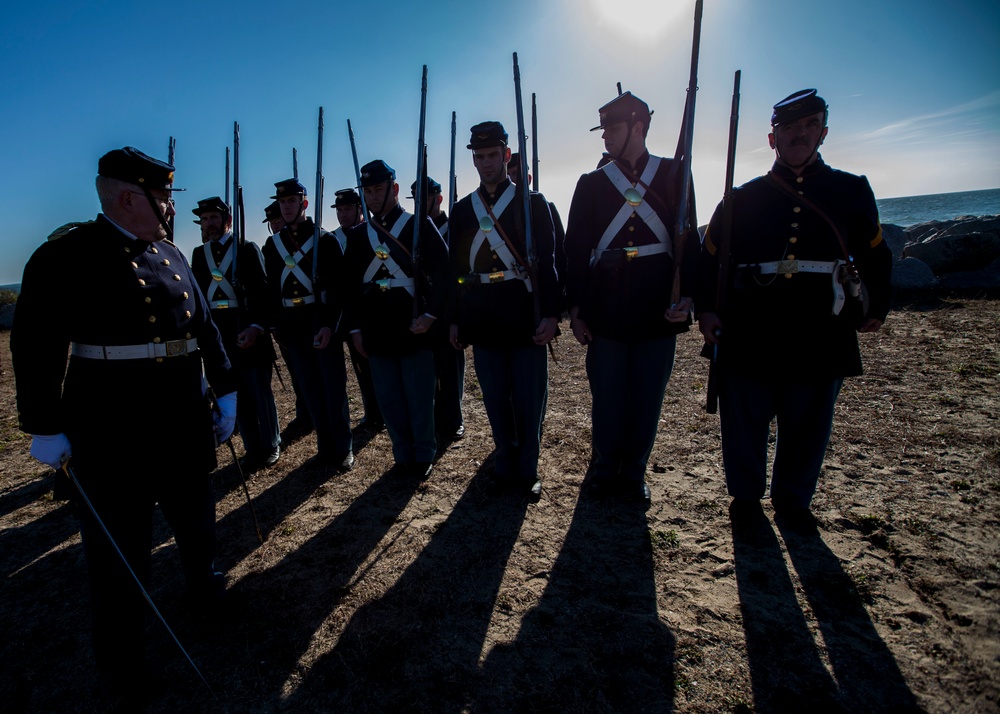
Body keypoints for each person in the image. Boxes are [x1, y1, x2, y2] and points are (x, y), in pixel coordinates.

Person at [11, 147, 237, 705]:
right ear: (130, 197)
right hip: (113, 430)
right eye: (163, 197)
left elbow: (203, 324)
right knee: (120, 554)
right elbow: (35, 343)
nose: (168, 208)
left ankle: (205, 591)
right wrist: (44, 425)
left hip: (183, 420)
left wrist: (225, 386)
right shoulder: (67, 256)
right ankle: (124, 660)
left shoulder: (170, 253)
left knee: (196, 517)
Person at [696, 88, 892, 533]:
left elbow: (875, 254)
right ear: (772, 139)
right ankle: (745, 499)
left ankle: (794, 500)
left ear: (823, 132)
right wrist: (707, 311)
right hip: (751, 326)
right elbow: (707, 261)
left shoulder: (851, 190)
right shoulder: (741, 199)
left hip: (820, 326)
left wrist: (876, 303)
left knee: (808, 420)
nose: (799, 135)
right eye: (789, 128)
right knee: (745, 421)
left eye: (808, 126)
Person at [564, 92, 695, 502]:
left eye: (613, 129)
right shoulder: (590, 184)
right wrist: (577, 309)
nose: (605, 138)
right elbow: (574, 251)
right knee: (607, 396)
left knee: (646, 398)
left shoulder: (675, 173)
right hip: (607, 308)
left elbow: (689, 241)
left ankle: (635, 471)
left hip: (657, 308)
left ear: (638, 128)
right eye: (603, 130)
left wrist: (687, 296)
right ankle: (605, 468)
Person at [448, 122, 560, 496]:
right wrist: (456, 320)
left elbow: (548, 260)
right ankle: (504, 461)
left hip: (524, 314)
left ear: (506, 155)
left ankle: (528, 469)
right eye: (479, 157)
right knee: (496, 399)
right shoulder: (463, 210)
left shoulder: (533, 203)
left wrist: (551, 314)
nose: (486, 163)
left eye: (493, 155)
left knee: (528, 399)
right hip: (483, 317)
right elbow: (458, 271)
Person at [343, 160, 451, 479]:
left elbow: (443, 272)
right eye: (369, 191)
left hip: (412, 323)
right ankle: (402, 454)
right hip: (377, 327)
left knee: (419, 395)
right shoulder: (360, 234)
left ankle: (423, 453)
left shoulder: (418, 225)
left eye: (379, 189)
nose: (374, 196)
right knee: (389, 398)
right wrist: (356, 328)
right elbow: (350, 286)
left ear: (394, 189)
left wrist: (431, 315)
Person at [262, 178, 354, 472]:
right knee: (311, 390)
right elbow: (271, 291)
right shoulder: (273, 245)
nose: (286, 207)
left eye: (291, 201)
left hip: (319, 321)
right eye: (282, 202)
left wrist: (330, 325)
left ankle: (343, 448)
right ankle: (325, 448)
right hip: (292, 325)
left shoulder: (324, 240)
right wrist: (276, 326)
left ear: (303, 203)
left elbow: (341, 290)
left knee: (332, 388)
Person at [191, 196, 281, 470]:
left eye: (214, 218)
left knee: (259, 393)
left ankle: (271, 443)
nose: (209, 224)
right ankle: (252, 447)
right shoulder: (198, 254)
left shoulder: (246, 248)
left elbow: (262, 293)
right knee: (231, 393)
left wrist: (256, 326)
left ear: (227, 220)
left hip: (248, 330)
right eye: (205, 220)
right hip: (220, 336)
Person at [410, 176, 465, 444]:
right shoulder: (414, 230)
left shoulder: (452, 225)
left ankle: (454, 419)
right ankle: (433, 418)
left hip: (450, 305)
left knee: (451, 367)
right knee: (428, 369)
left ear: (439, 198)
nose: (421, 205)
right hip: (426, 305)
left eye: (426, 199)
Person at [331, 188, 383, 434]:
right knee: (360, 367)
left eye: (348, 209)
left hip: (372, 309)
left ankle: (384, 409)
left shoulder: (370, 233)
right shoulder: (332, 240)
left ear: (360, 209)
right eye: (339, 210)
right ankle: (372, 411)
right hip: (348, 313)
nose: (343, 214)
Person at [263, 200, 312, 441]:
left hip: (309, 318)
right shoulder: (272, 247)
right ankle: (305, 411)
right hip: (286, 321)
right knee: (296, 371)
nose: (275, 224)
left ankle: (310, 413)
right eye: (272, 222)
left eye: (278, 220)